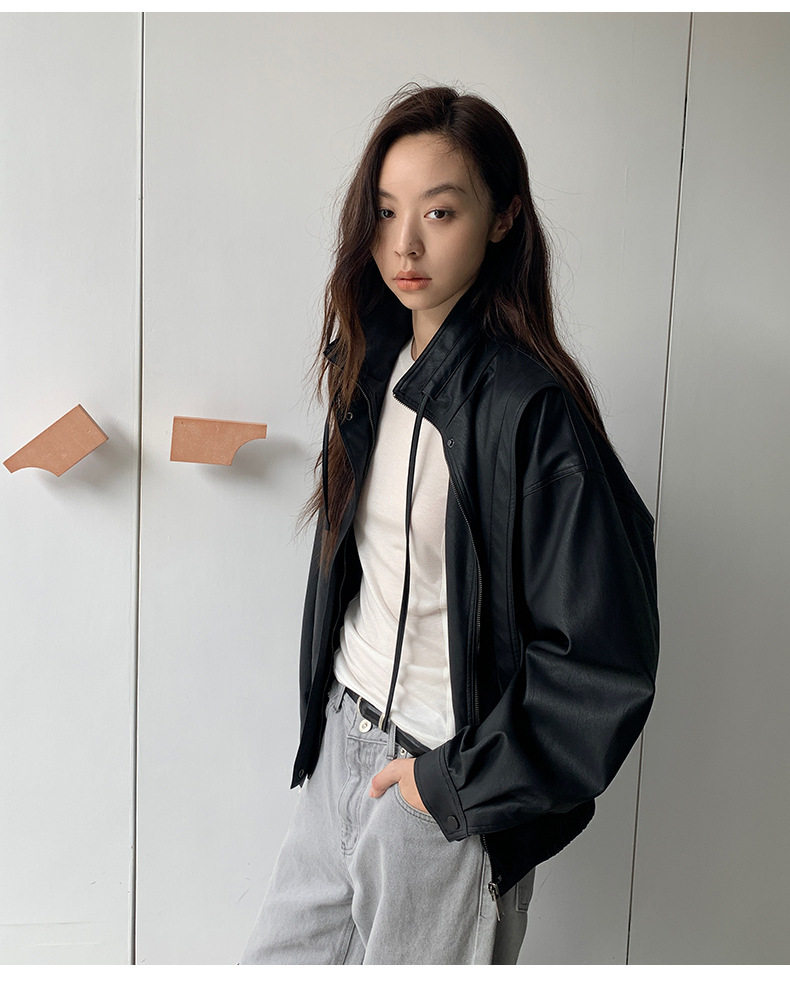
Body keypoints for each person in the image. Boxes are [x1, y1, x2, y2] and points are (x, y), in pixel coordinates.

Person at [240, 82, 659, 965]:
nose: (405, 243)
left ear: (503, 218)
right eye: (386, 210)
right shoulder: (368, 365)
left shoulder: (534, 413)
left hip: (441, 782)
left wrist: (445, 785)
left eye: (439, 211)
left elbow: (601, 662)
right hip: (342, 746)